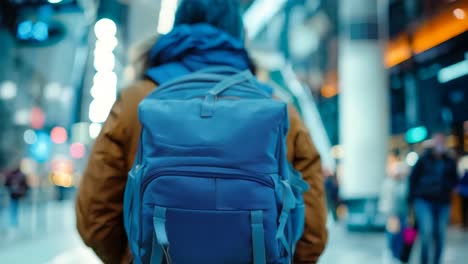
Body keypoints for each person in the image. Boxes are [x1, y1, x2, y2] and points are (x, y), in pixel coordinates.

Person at [75, 1, 328, 263]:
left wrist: (135, 256)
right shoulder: (277, 109)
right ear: (240, 33)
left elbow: (96, 220)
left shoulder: (136, 102)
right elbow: (313, 232)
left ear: (177, 26)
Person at [408, 133, 458, 264]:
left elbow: (455, 180)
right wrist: (411, 201)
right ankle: (424, 261)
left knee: (440, 234)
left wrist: (453, 160)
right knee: (426, 231)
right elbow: (412, 179)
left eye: (442, 142)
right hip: (423, 200)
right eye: (437, 141)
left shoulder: (449, 161)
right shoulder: (424, 158)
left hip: (443, 202)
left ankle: (437, 261)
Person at [379, 153, 409, 263]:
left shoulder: (404, 183)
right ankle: (390, 253)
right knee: (392, 235)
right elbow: (387, 199)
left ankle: (397, 255)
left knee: (401, 235)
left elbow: (405, 195)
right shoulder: (389, 183)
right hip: (392, 213)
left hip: (402, 211)